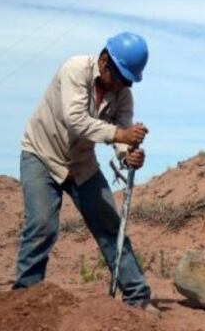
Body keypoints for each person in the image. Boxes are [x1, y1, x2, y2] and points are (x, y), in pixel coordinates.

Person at [13, 31, 153, 309]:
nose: (123, 86)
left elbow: (123, 137)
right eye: (120, 77)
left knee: (111, 227)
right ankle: (24, 303)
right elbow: (76, 120)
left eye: (129, 81)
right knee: (41, 226)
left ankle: (137, 298)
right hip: (42, 154)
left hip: (81, 164)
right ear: (104, 61)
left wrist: (129, 157)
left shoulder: (123, 95)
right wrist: (120, 135)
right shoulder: (74, 69)